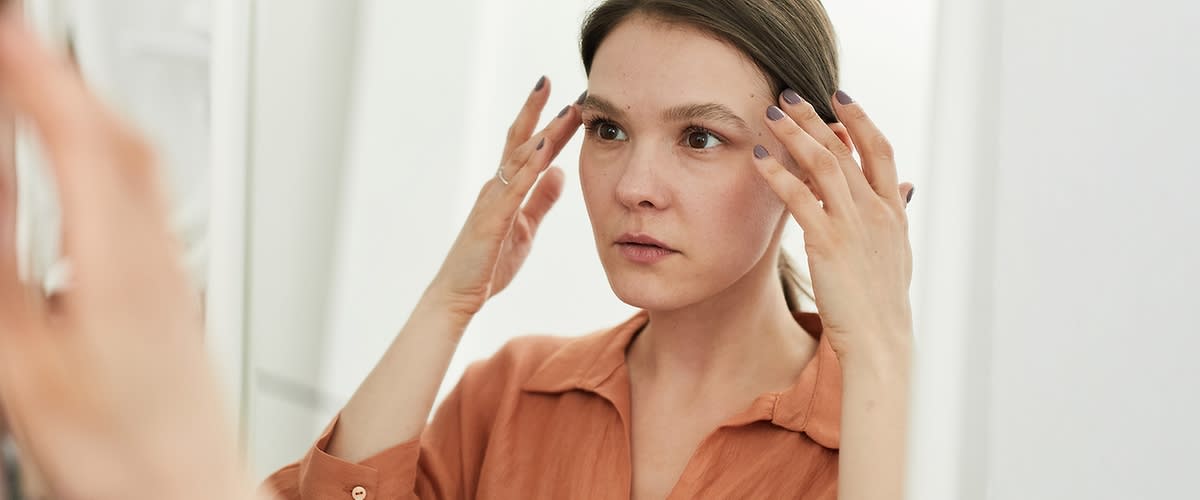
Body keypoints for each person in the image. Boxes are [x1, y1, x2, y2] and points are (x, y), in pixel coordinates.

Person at [264, 0, 915, 499]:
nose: (633, 188)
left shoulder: (891, 435)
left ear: (811, 162)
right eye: (609, 129)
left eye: (699, 138)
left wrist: (879, 355)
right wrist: (449, 301)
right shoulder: (509, 398)